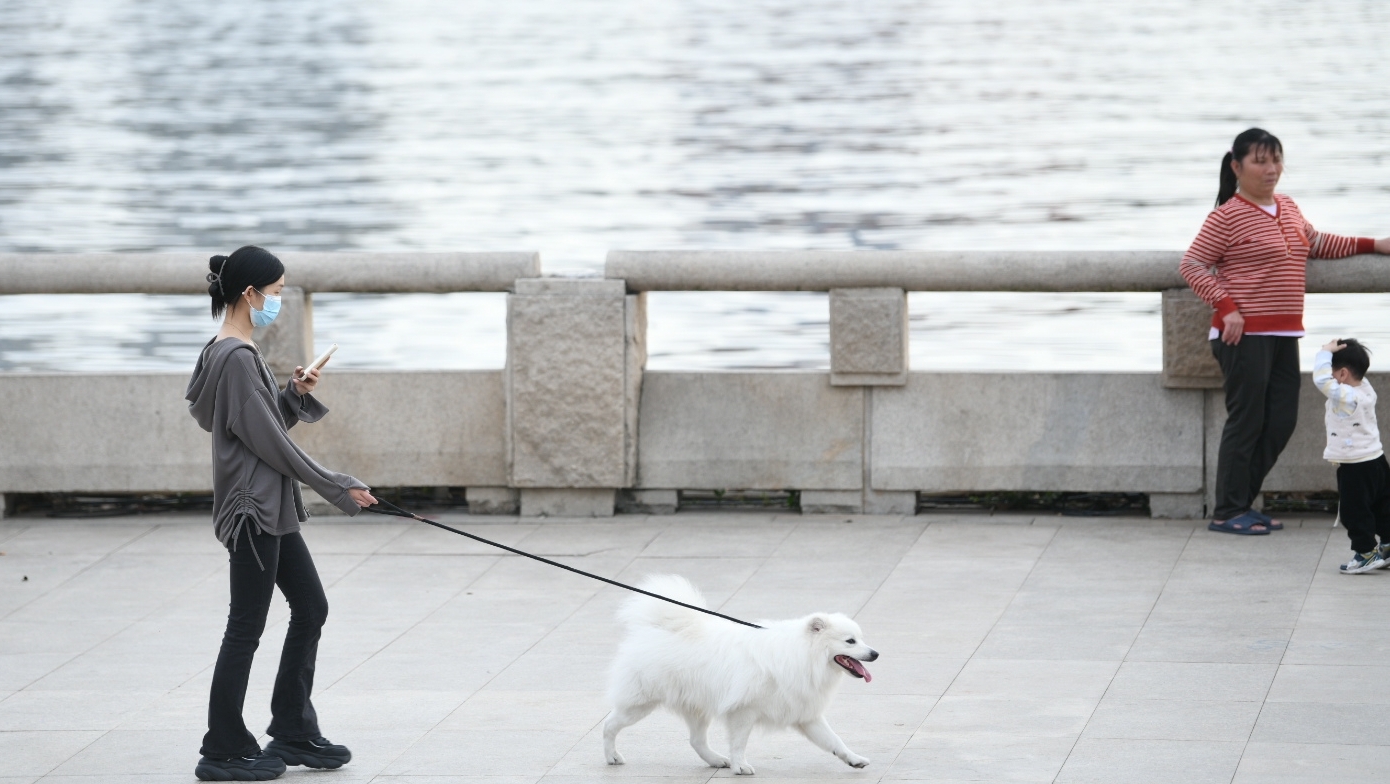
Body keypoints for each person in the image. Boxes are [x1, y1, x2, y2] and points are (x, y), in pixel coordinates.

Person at [186, 245, 377, 781]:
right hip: (253, 509)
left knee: (311, 607)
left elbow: (257, 429)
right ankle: (223, 748)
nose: (277, 301)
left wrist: (291, 395)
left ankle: (292, 727)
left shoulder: (226, 349)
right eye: (274, 293)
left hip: (267, 505)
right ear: (249, 293)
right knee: (245, 626)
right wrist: (338, 486)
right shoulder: (236, 357)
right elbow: (272, 445)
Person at [1180, 128, 1390, 535]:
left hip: (1283, 334)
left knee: (1280, 421)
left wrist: (1374, 244)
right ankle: (1228, 511)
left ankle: (1241, 503)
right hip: (1242, 337)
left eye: (1276, 159)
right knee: (1246, 422)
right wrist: (1227, 307)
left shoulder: (1288, 207)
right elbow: (1192, 265)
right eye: (1260, 161)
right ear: (1237, 166)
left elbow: (1318, 243)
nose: (1271, 169)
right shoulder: (1226, 216)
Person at [1313, 339, 1390, 573]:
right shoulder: (1366, 388)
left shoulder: (1346, 396)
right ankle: (1387, 545)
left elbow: (1321, 380)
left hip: (1355, 465)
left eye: (1333, 372)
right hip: (1377, 460)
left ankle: (1366, 553)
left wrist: (1324, 352)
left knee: (1353, 511)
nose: (1331, 377)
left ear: (1343, 374)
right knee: (1382, 506)